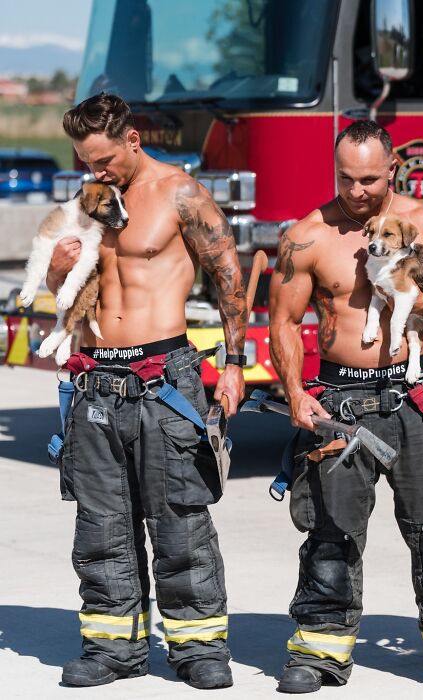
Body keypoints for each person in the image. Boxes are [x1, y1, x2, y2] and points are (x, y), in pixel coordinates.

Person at [268, 120, 423, 694]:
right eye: (347, 178)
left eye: (369, 179)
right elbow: (283, 322)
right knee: (330, 533)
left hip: (413, 396)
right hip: (339, 400)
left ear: (392, 170)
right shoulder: (308, 236)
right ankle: (319, 652)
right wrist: (295, 392)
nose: (357, 190)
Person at [47, 93, 247, 689]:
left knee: (180, 518)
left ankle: (198, 650)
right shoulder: (85, 202)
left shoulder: (179, 193)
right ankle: (113, 650)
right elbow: (65, 288)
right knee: (101, 525)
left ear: (132, 140)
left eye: (104, 160)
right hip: (96, 378)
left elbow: (229, 272)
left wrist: (235, 363)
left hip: (165, 378)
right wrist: (59, 267)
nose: (95, 173)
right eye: (85, 162)